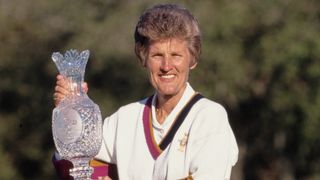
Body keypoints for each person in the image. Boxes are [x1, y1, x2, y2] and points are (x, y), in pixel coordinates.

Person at [53, 3, 238, 180]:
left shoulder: (209, 118)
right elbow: (74, 167)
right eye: (157, 55)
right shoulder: (125, 119)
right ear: (143, 59)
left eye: (176, 55)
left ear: (193, 60)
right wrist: (69, 116)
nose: (166, 66)